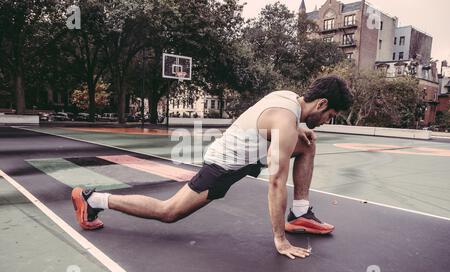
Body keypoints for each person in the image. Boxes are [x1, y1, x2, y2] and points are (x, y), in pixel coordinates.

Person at [71, 75, 353, 260]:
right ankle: (92, 199)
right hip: (223, 167)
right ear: (322, 103)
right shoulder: (285, 121)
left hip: (248, 157)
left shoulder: (289, 100)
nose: (328, 120)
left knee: (308, 143)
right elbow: (277, 182)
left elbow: (265, 126)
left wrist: (296, 135)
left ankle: (301, 212)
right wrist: (280, 239)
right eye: (330, 115)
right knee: (168, 212)